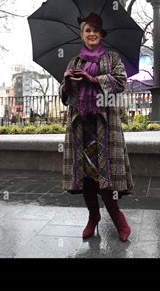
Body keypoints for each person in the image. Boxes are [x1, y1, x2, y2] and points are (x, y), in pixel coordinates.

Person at [59, 12, 134, 242]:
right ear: (82, 35)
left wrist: (94, 80)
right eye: (87, 30)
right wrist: (68, 82)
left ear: (101, 35)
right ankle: (93, 217)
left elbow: (121, 82)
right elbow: (64, 95)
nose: (92, 34)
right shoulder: (75, 61)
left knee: (106, 177)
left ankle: (119, 219)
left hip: (105, 126)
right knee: (86, 178)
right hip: (80, 126)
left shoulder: (111, 58)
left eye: (95, 31)